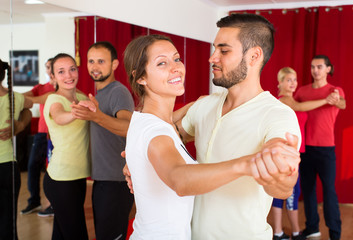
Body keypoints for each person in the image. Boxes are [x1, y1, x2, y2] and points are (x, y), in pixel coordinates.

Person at [123, 32, 300, 240]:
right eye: (162, 63)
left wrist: (139, 162)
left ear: (254, 56)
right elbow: (178, 178)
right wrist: (246, 164)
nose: (176, 68)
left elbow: (167, 136)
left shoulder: (155, 123)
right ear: (140, 77)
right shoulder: (155, 130)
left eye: (177, 58)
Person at [172, 13, 304, 239]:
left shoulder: (278, 115)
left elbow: (281, 188)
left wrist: (282, 173)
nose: (212, 58)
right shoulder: (206, 105)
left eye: (223, 51)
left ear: (254, 56)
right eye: (215, 49)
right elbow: (171, 137)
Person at [71, 41, 134, 240]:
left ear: (114, 65)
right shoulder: (100, 94)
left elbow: (127, 128)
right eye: (91, 61)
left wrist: (96, 116)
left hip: (116, 181)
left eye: (101, 61)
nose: (95, 66)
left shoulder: (118, 91)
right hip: (103, 180)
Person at [272, 67, 329, 240]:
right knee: (288, 192)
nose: (293, 83)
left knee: (287, 192)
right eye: (288, 80)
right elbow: (300, 107)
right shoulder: (284, 100)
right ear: (280, 82)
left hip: (293, 152)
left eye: (295, 79)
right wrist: (326, 100)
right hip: (286, 153)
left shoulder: (290, 99)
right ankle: (289, 233)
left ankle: (282, 232)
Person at [295, 55, 345, 240]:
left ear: (328, 69)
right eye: (312, 67)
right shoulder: (302, 91)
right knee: (308, 190)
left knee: (329, 191)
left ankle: (335, 233)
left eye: (319, 67)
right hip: (306, 149)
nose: (315, 70)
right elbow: (293, 106)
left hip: (326, 150)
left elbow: (342, 104)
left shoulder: (335, 90)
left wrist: (335, 99)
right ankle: (312, 228)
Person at [43, 53, 90, 239]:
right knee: (77, 234)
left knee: (62, 234)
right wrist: (77, 112)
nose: (68, 75)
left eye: (72, 69)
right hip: (61, 179)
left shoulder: (81, 97)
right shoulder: (54, 100)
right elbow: (60, 116)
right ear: (53, 77)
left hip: (78, 177)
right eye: (61, 72)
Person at [0, 59, 32, 240]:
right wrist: (20, 125)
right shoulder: (16, 98)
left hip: (7, 168)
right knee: (8, 222)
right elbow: (29, 108)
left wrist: (19, 126)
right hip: (8, 169)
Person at [21, 58, 55, 217]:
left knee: (53, 170)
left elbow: (48, 98)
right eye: (47, 67)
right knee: (33, 166)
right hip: (42, 133)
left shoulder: (63, 87)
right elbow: (24, 96)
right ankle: (34, 201)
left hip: (57, 134)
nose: (49, 70)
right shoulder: (41, 87)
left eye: (51, 67)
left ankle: (54, 204)